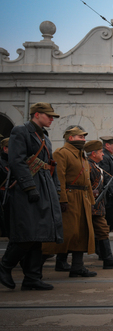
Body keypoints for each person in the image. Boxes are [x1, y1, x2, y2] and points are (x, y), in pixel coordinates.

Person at [0, 102, 62, 291]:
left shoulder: (44, 136)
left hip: (44, 187)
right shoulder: (21, 131)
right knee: (26, 234)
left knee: (39, 234)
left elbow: (51, 165)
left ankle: (32, 278)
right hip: (28, 189)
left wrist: (56, 189)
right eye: (48, 115)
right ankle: (5, 266)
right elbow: (17, 162)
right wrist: (29, 187)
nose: (51, 119)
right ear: (36, 114)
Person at [43, 126, 97, 278]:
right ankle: (34, 268)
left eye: (84, 137)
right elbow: (59, 177)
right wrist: (61, 199)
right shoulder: (62, 153)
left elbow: (86, 181)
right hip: (70, 197)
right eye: (80, 137)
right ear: (70, 138)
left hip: (82, 198)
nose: (84, 140)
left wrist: (91, 202)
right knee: (66, 234)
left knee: (81, 234)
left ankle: (77, 267)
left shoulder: (81, 155)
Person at [84, 140, 113, 269]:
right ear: (93, 153)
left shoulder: (96, 167)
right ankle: (65, 261)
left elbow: (107, 180)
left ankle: (107, 259)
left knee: (103, 230)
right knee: (77, 233)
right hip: (88, 205)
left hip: (97, 207)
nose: (103, 154)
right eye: (100, 152)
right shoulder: (88, 167)